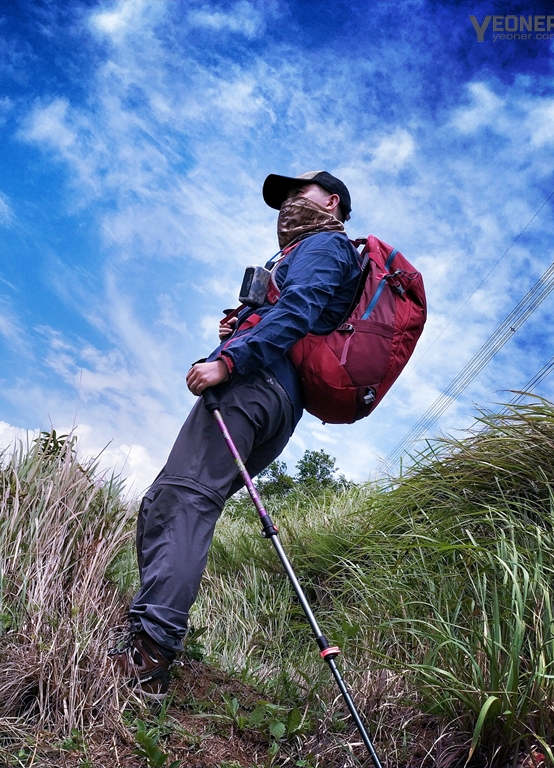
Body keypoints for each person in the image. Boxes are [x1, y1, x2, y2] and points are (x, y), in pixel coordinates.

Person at [109, 170, 363, 699]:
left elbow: (298, 310)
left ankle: (149, 654)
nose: (289, 203)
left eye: (300, 192)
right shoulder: (319, 254)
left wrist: (230, 359)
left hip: (252, 387)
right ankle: (147, 631)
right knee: (172, 500)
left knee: (182, 499)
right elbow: (295, 313)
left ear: (332, 201)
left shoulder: (325, 246)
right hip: (275, 398)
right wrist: (246, 323)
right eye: (285, 197)